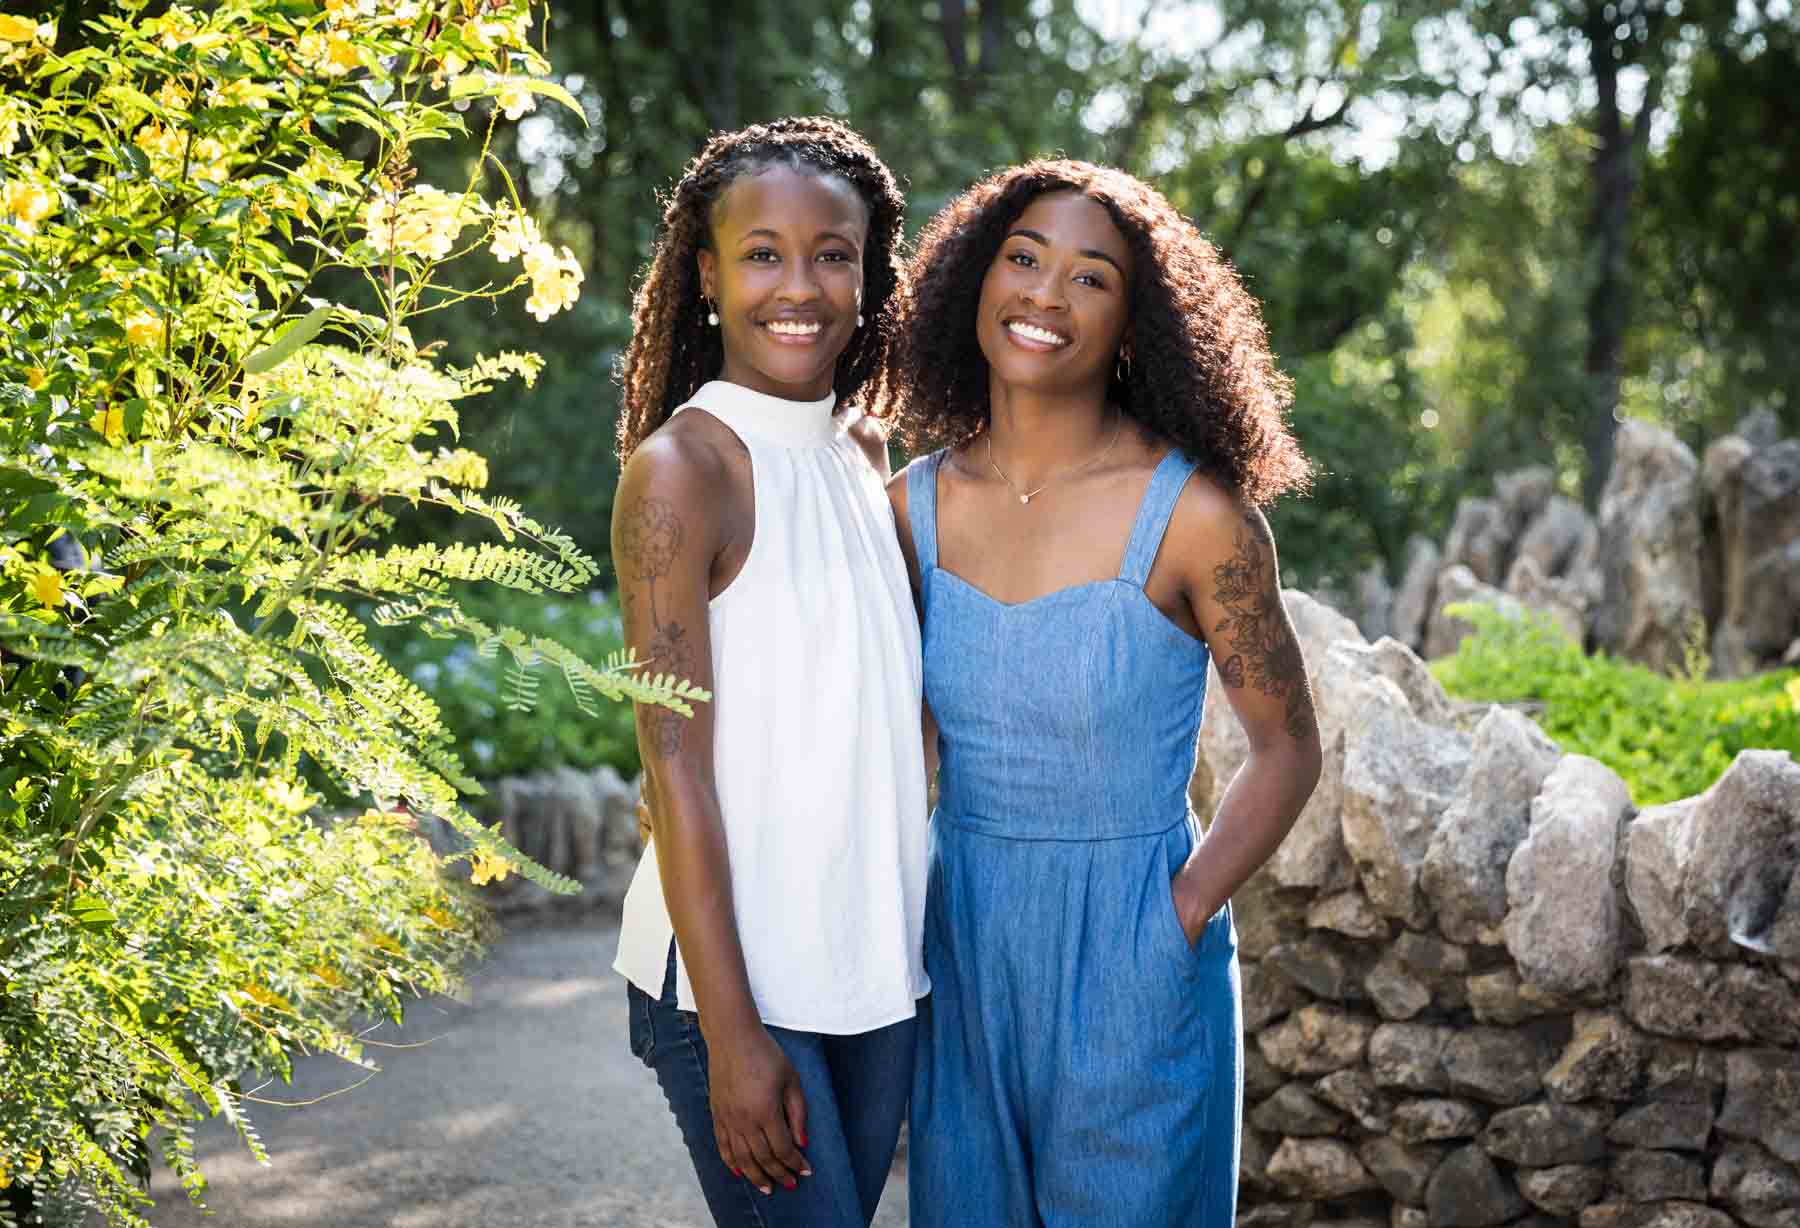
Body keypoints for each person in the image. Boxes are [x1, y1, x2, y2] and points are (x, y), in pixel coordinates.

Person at [886, 159, 1324, 1227]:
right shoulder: (909, 508)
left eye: (1090, 278)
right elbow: (900, 749)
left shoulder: (1198, 518)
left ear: (1134, 324)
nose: (1044, 294)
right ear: (973, 283)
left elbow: (1287, 749)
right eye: (1023, 259)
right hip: (966, 937)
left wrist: (1175, 916)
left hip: (1135, 940)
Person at [610, 117, 926, 1228]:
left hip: (870, 968)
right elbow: (674, 769)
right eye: (762, 254)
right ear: (706, 274)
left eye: (832, 254)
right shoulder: (684, 470)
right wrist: (734, 1035)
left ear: (868, 275)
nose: (799, 284)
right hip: (732, 988)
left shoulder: (863, 451)